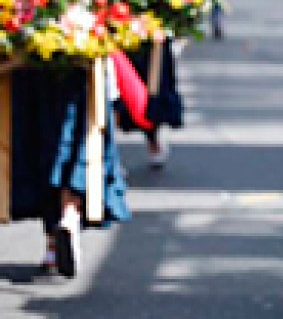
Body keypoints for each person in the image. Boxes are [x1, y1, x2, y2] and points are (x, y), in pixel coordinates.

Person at [11, 64, 129, 278]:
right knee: (79, 140)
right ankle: (69, 214)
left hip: (30, 63)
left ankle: (52, 241)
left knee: (40, 140)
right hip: (80, 61)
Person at [114, 38, 183, 169]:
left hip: (152, 34)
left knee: (153, 91)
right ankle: (110, 154)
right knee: (116, 92)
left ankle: (153, 139)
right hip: (119, 30)